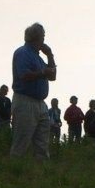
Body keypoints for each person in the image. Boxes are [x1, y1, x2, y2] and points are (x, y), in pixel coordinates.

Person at [10, 22, 56, 159]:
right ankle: (14, 172)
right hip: (25, 101)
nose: (44, 39)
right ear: (37, 37)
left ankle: (41, 174)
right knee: (22, 141)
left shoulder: (38, 57)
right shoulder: (22, 53)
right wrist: (43, 72)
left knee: (42, 143)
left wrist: (50, 55)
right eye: (43, 36)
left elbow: (52, 76)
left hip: (40, 103)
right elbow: (24, 75)